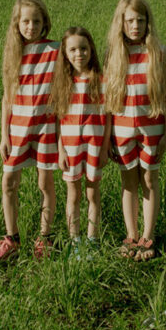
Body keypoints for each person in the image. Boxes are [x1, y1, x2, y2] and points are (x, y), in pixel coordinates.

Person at [104, 0, 166, 261]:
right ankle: (131, 236)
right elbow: (109, 99)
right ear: (121, 23)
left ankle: (148, 237)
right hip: (122, 128)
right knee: (128, 181)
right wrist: (109, 135)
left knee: (149, 179)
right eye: (130, 20)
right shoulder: (114, 54)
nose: (135, 26)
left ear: (148, 23)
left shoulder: (159, 52)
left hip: (152, 127)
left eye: (141, 20)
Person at [0, 0, 59, 261]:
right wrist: (3, 136)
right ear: (17, 23)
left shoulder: (55, 50)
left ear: (45, 23)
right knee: (9, 181)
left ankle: (45, 237)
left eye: (36, 21)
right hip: (17, 127)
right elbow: (7, 97)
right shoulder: (12, 53)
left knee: (45, 182)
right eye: (26, 21)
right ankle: (12, 237)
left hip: (45, 128)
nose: (31, 26)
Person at [50, 27, 110, 249]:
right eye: (73, 49)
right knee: (73, 195)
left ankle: (93, 241)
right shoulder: (63, 82)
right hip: (70, 147)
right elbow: (57, 119)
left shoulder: (100, 81)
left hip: (94, 146)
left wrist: (105, 148)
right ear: (65, 52)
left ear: (91, 50)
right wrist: (60, 150)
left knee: (93, 194)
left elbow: (107, 116)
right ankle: (75, 242)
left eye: (84, 48)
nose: (79, 54)